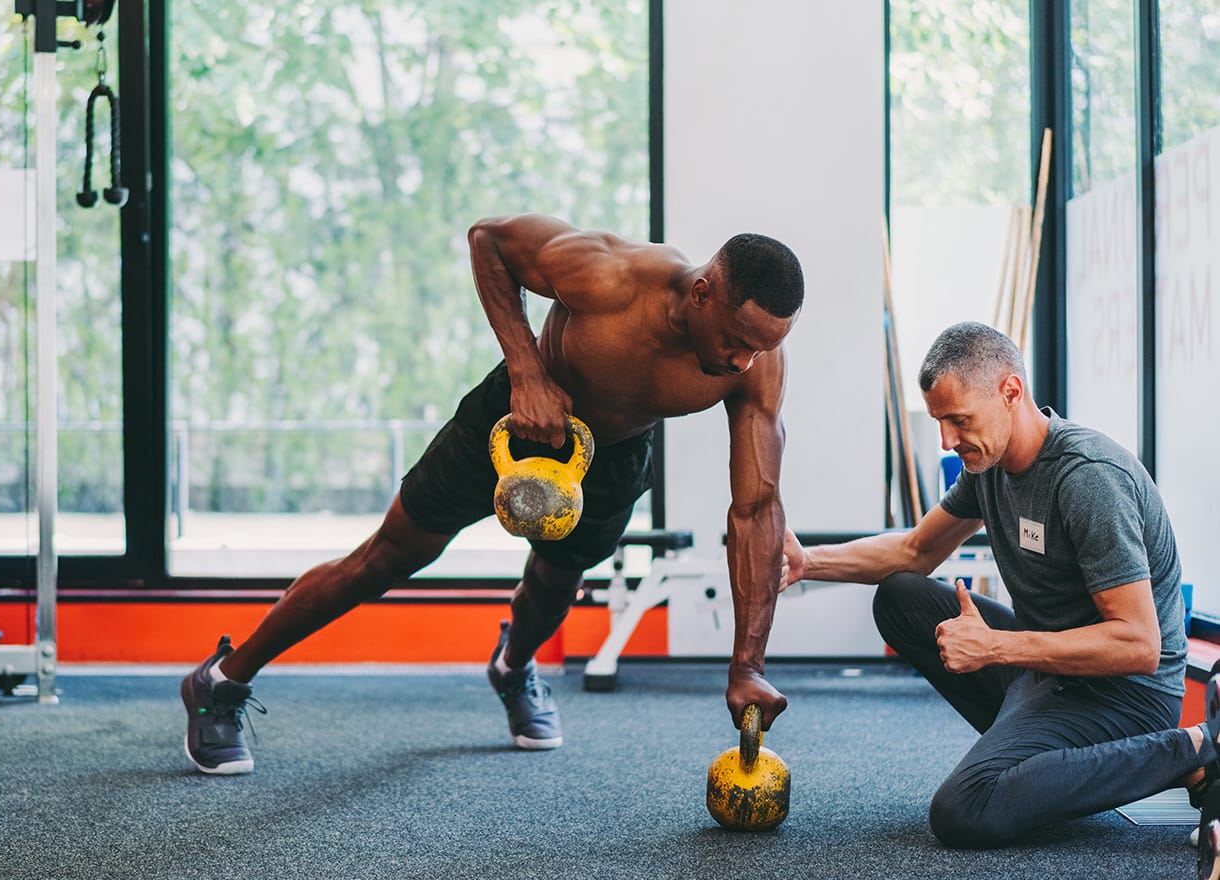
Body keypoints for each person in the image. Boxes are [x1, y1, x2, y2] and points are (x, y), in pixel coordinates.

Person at [181, 213, 806, 775]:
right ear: (702, 293)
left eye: (761, 348)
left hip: (612, 456)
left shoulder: (754, 365)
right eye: (736, 339)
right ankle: (221, 681)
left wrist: (747, 664)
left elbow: (755, 507)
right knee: (383, 561)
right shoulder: (609, 276)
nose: (745, 360)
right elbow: (490, 240)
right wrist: (527, 371)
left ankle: (513, 667)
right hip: (513, 423)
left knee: (557, 582)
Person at [780, 320, 1215, 849]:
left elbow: (1139, 646)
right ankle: (1038, 757)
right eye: (940, 421)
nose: (946, 439)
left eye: (958, 420)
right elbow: (916, 550)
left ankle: (1196, 750)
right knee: (901, 596)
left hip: (1123, 698)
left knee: (965, 809)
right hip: (1047, 669)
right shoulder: (987, 463)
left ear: (1011, 391)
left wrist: (994, 646)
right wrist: (806, 562)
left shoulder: (1088, 478)